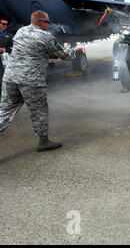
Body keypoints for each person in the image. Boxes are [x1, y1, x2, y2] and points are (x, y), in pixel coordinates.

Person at [0, 10, 83, 152]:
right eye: (47, 22)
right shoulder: (45, 36)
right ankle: (43, 141)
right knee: (39, 110)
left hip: (10, 78)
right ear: (40, 22)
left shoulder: (21, 31)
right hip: (31, 80)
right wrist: (78, 50)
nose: (49, 25)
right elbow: (64, 55)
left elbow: (35, 50)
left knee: (5, 111)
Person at [0, 17, 13, 97]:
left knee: (5, 78)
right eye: (3, 24)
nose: (5, 26)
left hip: (4, 59)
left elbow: (13, 44)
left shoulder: (7, 34)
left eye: (6, 24)